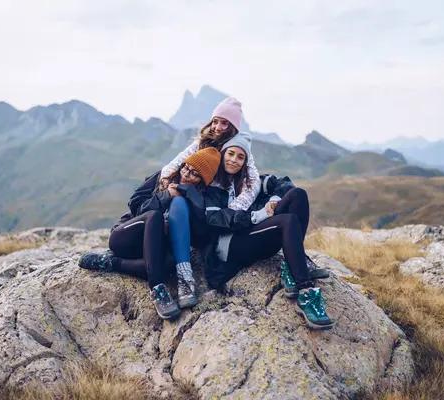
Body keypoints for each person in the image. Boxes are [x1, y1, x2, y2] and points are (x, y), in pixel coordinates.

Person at [201, 132, 333, 330]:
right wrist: (258, 215)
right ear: (222, 154)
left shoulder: (251, 182)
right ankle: (306, 291)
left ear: (246, 162)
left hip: (256, 235)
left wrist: (274, 200)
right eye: (230, 154)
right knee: (287, 221)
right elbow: (216, 219)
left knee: (297, 194)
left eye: (240, 157)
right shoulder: (212, 187)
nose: (234, 160)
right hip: (231, 244)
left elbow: (284, 183)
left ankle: (292, 266)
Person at [78, 148, 221, 320]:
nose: (186, 174)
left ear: (202, 181)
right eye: (186, 167)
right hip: (126, 237)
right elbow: (136, 206)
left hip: (151, 249)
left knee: (169, 264)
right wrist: (166, 195)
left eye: (194, 174)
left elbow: (200, 235)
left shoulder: (198, 198)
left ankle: (110, 263)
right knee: (154, 216)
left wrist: (192, 199)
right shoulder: (163, 177)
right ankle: (158, 288)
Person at [161, 97, 261, 213]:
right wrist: (170, 188)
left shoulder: (239, 148)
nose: (218, 128)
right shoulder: (201, 143)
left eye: (224, 123)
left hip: (218, 204)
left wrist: (232, 211)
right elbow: (174, 165)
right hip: (195, 196)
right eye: (215, 121)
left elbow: (254, 183)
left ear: (233, 127)